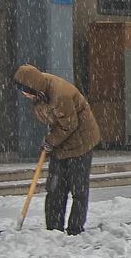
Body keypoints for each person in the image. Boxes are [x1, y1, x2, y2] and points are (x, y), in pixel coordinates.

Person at [14, 64, 101, 235]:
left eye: (26, 91)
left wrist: (50, 141)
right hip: (61, 141)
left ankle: (75, 229)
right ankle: (53, 229)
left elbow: (70, 125)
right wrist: (53, 142)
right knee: (55, 188)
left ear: (34, 87)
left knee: (78, 188)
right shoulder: (41, 89)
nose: (24, 94)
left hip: (80, 141)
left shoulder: (60, 96)